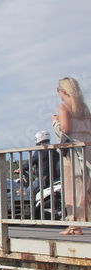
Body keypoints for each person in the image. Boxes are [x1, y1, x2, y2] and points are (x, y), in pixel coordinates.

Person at [51, 77, 91, 235]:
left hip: (73, 150)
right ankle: (81, 222)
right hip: (87, 149)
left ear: (63, 91)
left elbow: (66, 129)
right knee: (85, 187)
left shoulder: (64, 107)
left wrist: (55, 121)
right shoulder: (85, 108)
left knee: (72, 186)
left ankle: (74, 224)